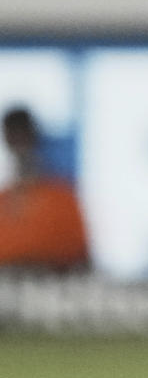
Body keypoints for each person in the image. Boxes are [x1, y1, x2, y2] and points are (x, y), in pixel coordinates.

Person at [0, 107, 89, 270]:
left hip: (53, 282)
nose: (20, 145)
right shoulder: (4, 201)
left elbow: (82, 258)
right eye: (14, 136)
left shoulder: (62, 200)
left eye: (24, 136)